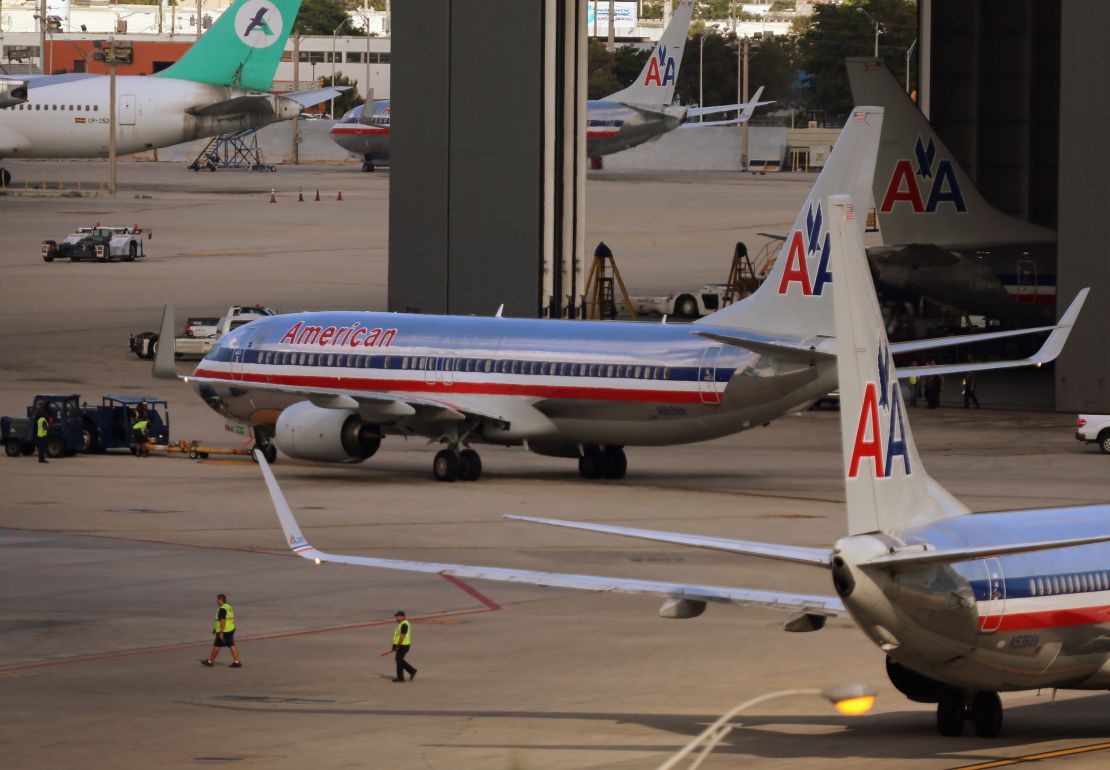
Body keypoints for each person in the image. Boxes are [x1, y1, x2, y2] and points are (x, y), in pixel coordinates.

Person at [201, 594, 242, 668]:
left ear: (221, 600)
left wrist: (221, 632)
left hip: (225, 630)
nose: (216, 602)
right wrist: (215, 628)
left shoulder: (222, 609)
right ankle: (237, 661)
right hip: (230, 628)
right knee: (227, 644)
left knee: (220, 645)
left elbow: (222, 621)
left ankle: (210, 661)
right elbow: (225, 619)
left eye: (217, 600)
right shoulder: (228, 606)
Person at [390, 611, 417, 682]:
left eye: (397, 617)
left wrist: (398, 645)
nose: (396, 618)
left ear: (402, 617)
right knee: (399, 660)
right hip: (402, 645)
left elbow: (402, 636)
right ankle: (403, 675)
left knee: (399, 660)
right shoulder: (402, 624)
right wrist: (394, 645)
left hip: (403, 645)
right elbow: (398, 636)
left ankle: (410, 672)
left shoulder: (404, 624)